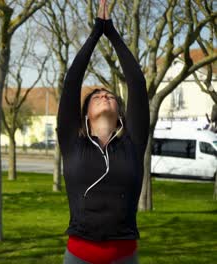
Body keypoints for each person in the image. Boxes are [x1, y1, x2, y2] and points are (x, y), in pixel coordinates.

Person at [57, 0, 149, 263]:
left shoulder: (132, 144)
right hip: (79, 257)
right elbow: (72, 82)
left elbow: (137, 83)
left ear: (121, 114)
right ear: (85, 115)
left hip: (124, 257)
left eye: (109, 94)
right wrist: (98, 30)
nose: (104, 95)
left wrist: (113, 32)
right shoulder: (72, 144)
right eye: (96, 95)